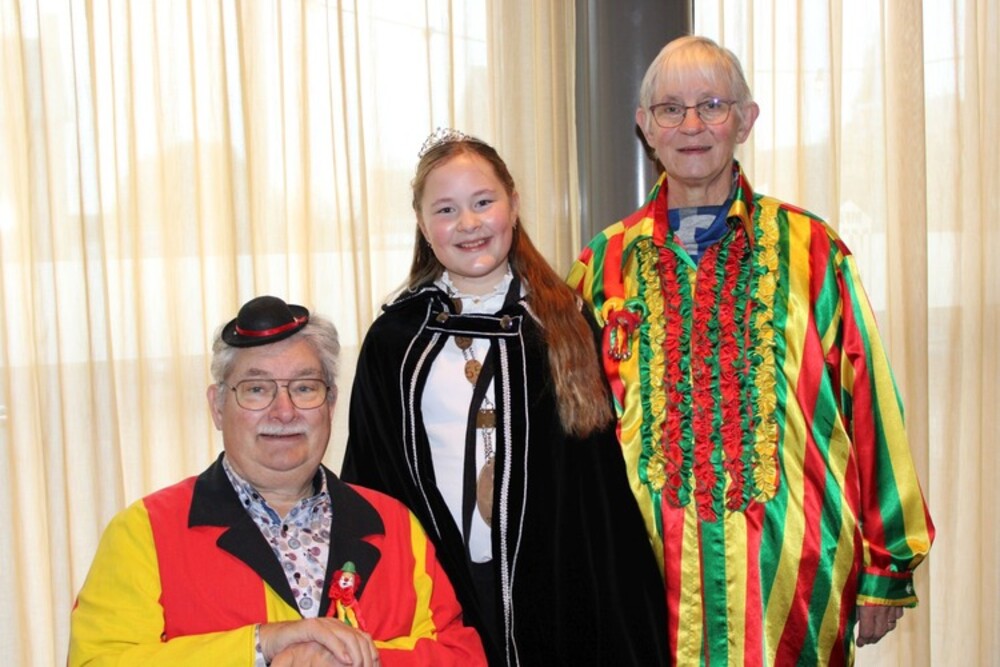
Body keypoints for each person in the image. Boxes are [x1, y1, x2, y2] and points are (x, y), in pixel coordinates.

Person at [567, 35, 936, 666]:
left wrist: (888, 562)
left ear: (745, 119)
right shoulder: (600, 265)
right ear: (645, 126)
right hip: (644, 582)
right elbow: (574, 434)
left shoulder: (814, 251)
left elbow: (871, 403)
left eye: (712, 105)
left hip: (791, 581)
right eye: (670, 109)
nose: (691, 126)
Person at [341, 129, 670, 666]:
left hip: (554, 591)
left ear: (513, 206)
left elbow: (598, 493)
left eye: (483, 202)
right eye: (446, 210)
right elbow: (371, 480)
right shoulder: (395, 340)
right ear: (422, 224)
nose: (468, 223)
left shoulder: (562, 322)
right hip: (441, 587)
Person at [69, 295, 486, 666]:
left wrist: (353, 661)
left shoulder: (393, 526)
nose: (284, 411)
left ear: (331, 403)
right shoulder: (145, 530)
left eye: (304, 388)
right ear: (217, 407)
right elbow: (98, 660)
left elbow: (461, 657)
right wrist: (261, 645)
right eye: (256, 389)